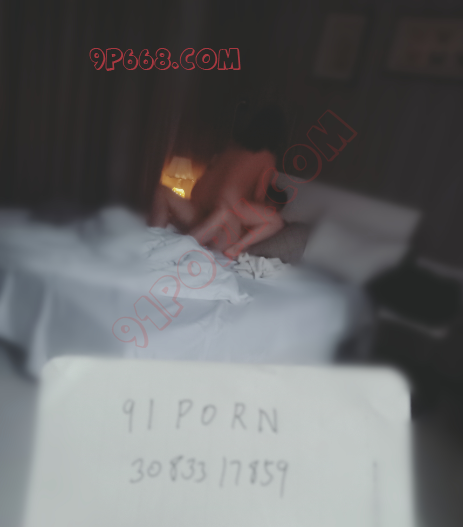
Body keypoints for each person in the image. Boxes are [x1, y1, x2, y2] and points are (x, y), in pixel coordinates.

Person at [149, 104, 287, 257]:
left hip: (198, 216)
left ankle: (152, 238)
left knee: (162, 190)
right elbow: (259, 197)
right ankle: (233, 248)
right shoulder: (267, 157)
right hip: (220, 228)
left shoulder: (230, 148)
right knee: (276, 221)